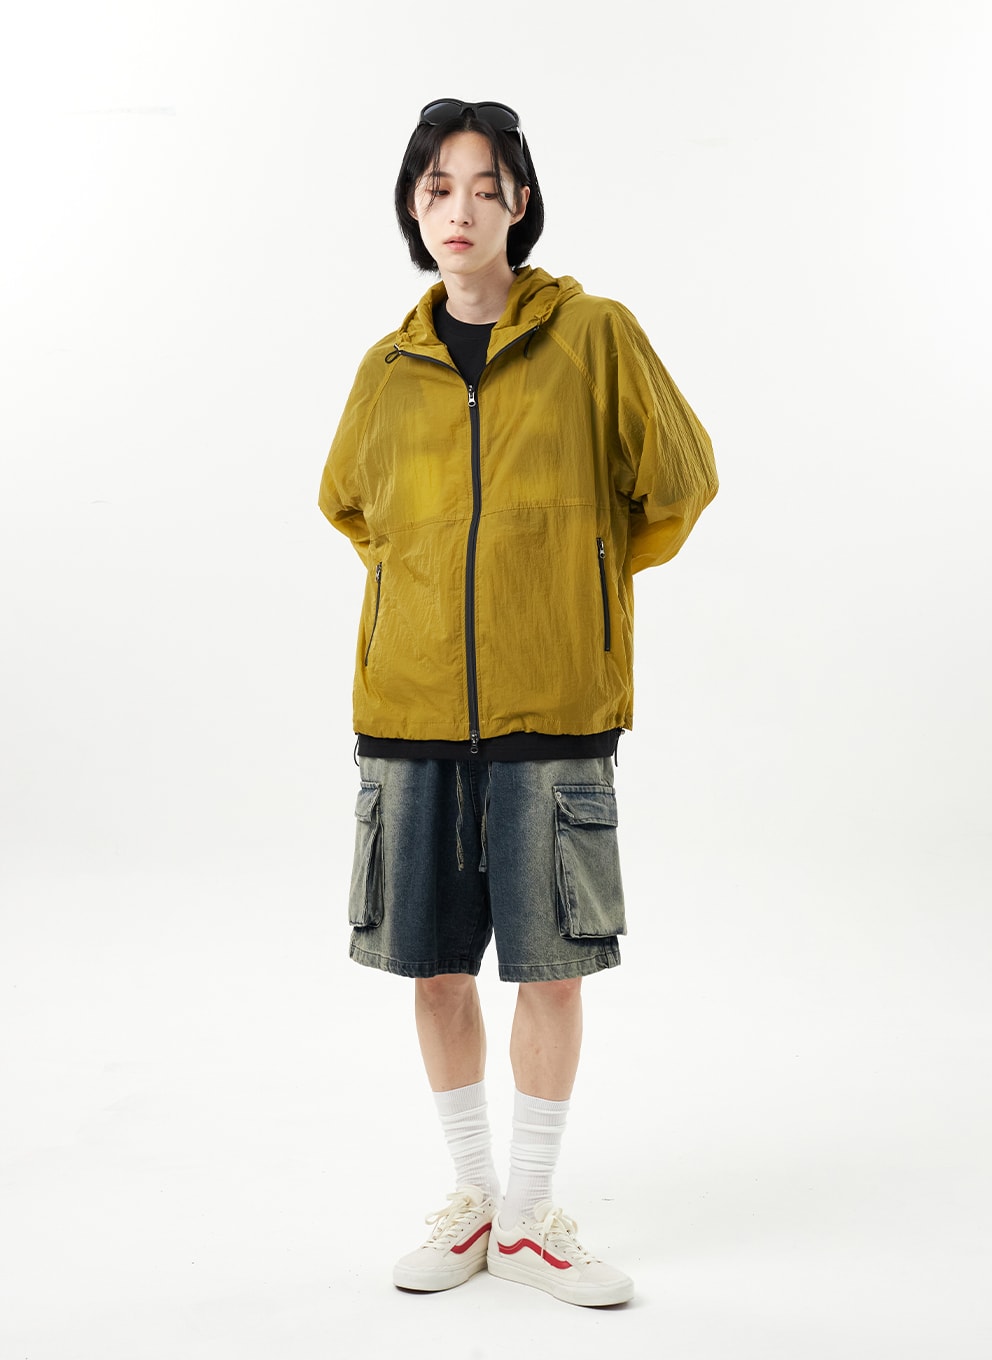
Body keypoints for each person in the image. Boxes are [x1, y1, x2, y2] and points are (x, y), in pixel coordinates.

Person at [318, 98, 717, 1307]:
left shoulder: (595, 335)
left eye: (482, 186)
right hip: (409, 710)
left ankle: (534, 1217)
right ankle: (474, 1197)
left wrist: (570, 578)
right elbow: (350, 506)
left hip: (555, 704)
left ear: (520, 203)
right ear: (413, 205)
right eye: (436, 187)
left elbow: (678, 481)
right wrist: (428, 587)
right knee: (433, 967)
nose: (458, 209)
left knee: (552, 969)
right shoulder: (386, 370)